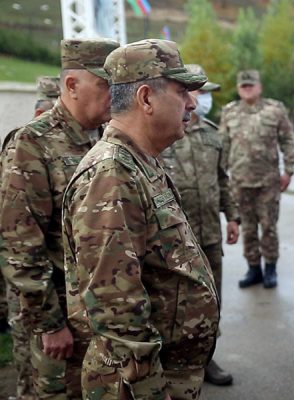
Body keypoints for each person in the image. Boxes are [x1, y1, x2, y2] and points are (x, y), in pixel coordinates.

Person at [62, 38, 219, 399]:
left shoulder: (138, 161)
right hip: (139, 383)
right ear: (146, 98)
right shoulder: (111, 174)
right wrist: (149, 387)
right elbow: (114, 307)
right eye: (182, 92)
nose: (192, 103)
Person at [0, 38, 119, 399]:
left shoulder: (106, 139)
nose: (115, 95)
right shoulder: (31, 144)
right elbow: (20, 244)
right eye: (105, 85)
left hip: (98, 314)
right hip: (57, 317)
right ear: (71, 85)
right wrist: (49, 324)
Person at [160, 63, 240, 387]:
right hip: (177, 237)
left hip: (209, 232)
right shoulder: (164, 134)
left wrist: (232, 216)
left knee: (212, 299)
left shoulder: (212, 133)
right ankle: (171, 364)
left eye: (206, 93)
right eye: (197, 91)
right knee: (177, 302)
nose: (201, 99)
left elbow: (222, 179)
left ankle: (206, 358)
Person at [1, 73, 62, 400]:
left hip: (52, 285)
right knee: (29, 354)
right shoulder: (25, 145)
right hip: (28, 283)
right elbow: (18, 232)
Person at [219, 70, 294, 289]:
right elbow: (223, 146)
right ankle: (253, 268)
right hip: (240, 182)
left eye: (251, 85)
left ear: (259, 87)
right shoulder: (229, 112)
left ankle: (270, 268)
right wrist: (221, 177)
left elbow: (287, 141)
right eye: (243, 86)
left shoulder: (275, 110)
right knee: (248, 228)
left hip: (268, 183)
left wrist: (288, 171)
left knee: (269, 227)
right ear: (238, 89)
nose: (247, 89)